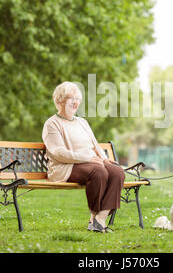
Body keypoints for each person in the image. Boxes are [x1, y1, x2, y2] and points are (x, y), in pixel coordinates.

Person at [42, 81, 125, 233]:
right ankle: (94, 219)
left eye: (77, 98)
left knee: (117, 172)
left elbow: (95, 145)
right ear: (59, 100)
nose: (75, 102)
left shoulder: (82, 122)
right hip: (65, 166)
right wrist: (87, 158)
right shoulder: (52, 124)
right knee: (98, 172)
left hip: (91, 162)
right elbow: (58, 153)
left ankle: (100, 219)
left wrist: (104, 159)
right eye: (70, 98)